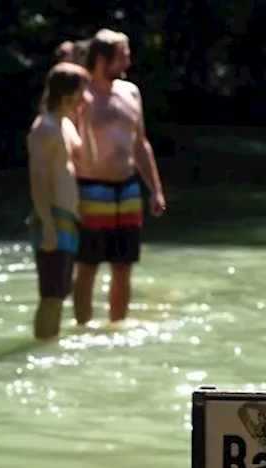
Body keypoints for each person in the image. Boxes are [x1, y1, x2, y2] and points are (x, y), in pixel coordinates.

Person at [72, 29, 165, 327]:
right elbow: (65, 144)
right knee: (87, 266)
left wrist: (155, 190)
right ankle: (82, 328)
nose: (128, 60)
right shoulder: (80, 95)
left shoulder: (131, 92)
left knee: (123, 266)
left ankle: (117, 327)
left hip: (127, 189)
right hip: (90, 188)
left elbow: (141, 144)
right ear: (102, 58)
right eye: (122, 54)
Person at [26, 62, 94, 340]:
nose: (85, 98)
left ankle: (49, 343)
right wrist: (48, 226)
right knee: (51, 295)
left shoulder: (65, 125)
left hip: (67, 217)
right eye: (82, 92)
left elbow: (87, 161)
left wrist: (86, 120)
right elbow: (38, 180)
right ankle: (41, 347)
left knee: (60, 294)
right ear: (68, 94)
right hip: (50, 218)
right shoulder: (45, 128)